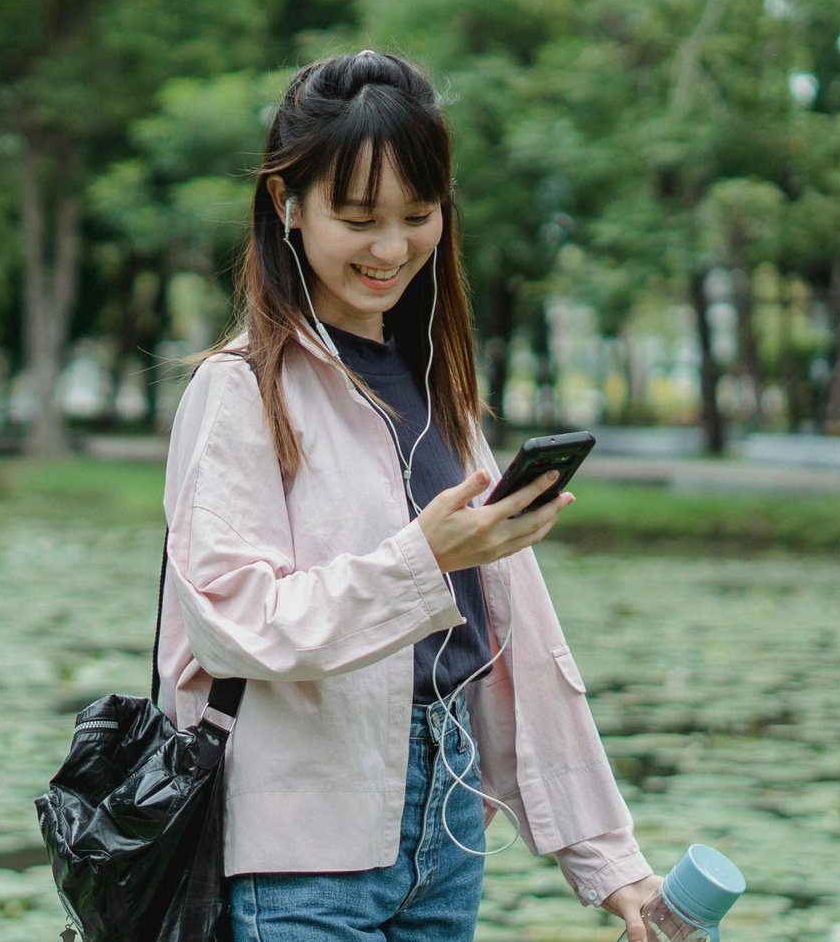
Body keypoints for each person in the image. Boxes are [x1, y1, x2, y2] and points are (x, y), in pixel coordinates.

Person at [156, 50, 661, 941]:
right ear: (289, 205)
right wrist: (423, 559)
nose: (392, 249)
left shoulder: (441, 390)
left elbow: (517, 644)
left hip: (448, 828)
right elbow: (228, 619)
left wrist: (610, 859)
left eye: (417, 216)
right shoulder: (241, 388)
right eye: (359, 218)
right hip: (300, 846)